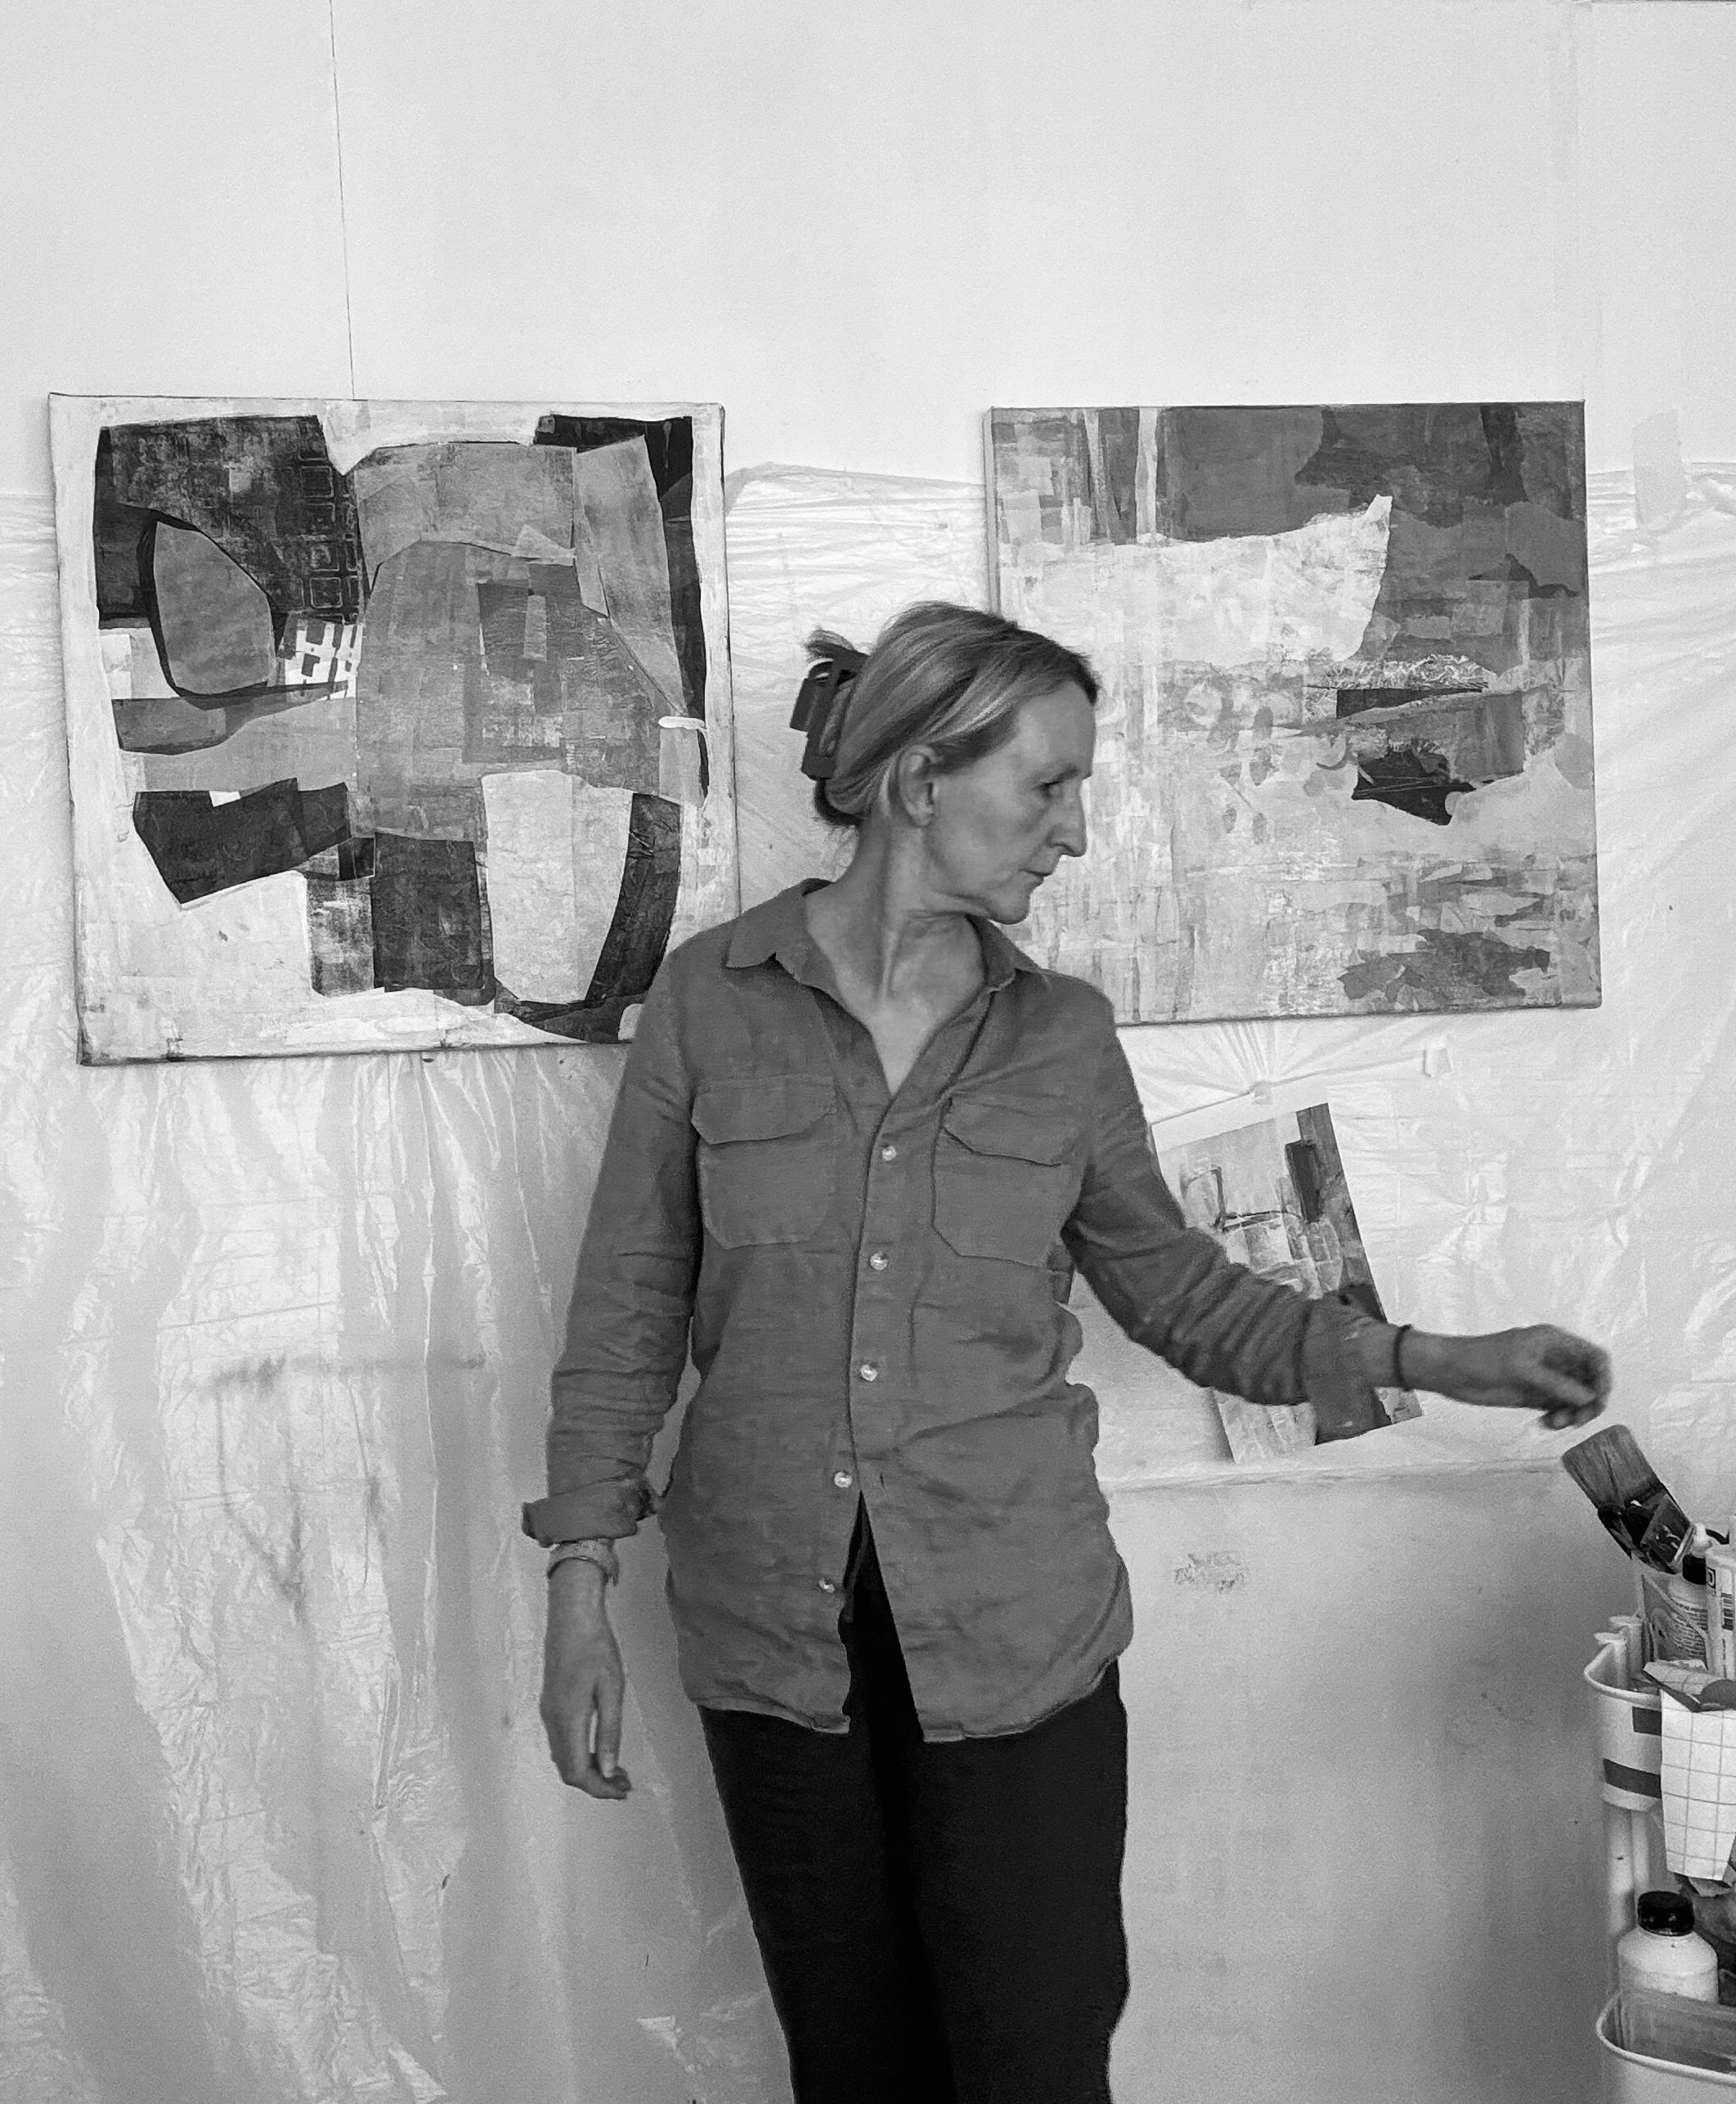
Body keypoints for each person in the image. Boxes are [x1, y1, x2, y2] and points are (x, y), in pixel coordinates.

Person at [524, 601, 1610, 2104]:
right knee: (854, 2067)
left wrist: (1434, 1352)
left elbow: (1179, 1293)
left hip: (1017, 1637)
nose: (1077, 833)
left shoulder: (1060, 1037)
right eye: (1049, 788)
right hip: (770, 1639)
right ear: (920, 782)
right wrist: (578, 1584)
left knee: (1032, 2065)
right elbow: (626, 1308)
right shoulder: (712, 1002)